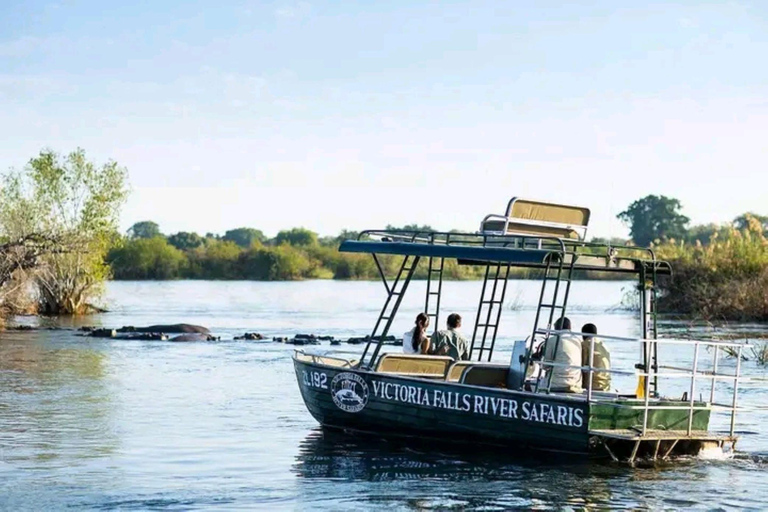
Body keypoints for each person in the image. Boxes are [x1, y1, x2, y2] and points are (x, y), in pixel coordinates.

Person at [542, 317, 582, 393]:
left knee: (529, 385)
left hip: (556, 383)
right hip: (575, 383)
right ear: (569, 327)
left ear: (556, 327)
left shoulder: (552, 340)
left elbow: (545, 365)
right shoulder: (577, 340)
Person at [581, 323, 611, 392]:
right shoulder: (604, 346)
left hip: (592, 385)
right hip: (606, 385)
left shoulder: (585, 344)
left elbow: (581, 364)